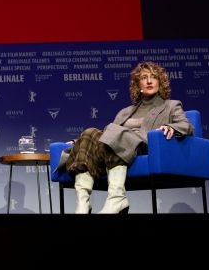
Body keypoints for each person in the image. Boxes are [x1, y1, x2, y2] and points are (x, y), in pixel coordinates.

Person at [62, 61, 193, 214]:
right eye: (144, 78)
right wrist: (79, 142)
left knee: (119, 134)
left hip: (142, 147)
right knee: (89, 133)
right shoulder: (125, 111)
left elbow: (186, 125)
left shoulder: (171, 105)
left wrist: (171, 127)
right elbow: (107, 134)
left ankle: (116, 197)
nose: (149, 81)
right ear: (138, 85)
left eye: (153, 77)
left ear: (160, 82)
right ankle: (83, 204)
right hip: (118, 146)